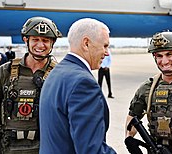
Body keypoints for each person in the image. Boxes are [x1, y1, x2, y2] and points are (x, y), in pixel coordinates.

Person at [39, 18, 116, 154]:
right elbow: (91, 149)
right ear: (86, 43)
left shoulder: (56, 72)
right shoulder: (83, 83)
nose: (107, 52)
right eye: (104, 46)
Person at [0, 16, 62, 154]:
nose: (40, 45)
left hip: (46, 148)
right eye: (35, 39)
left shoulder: (60, 74)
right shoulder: (5, 72)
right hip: (8, 148)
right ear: (26, 40)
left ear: (52, 42)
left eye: (46, 40)